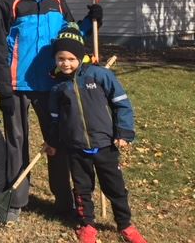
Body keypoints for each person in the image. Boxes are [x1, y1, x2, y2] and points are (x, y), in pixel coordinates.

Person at [0, 0, 103, 221]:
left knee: (59, 141)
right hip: (18, 86)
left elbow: (72, 35)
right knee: (17, 142)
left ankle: (64, 202)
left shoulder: (57, 2)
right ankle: (16, 200)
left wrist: (92, 21)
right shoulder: (8, 5)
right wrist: (4, 90)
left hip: (53, 85)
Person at [44, 24, 147, 243]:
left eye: (71, 59)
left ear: (81, 57)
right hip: (76, 148)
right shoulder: (57, 87)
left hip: (105, 145)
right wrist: (52, 141)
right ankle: (87, 224)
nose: (66, 63)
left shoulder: (100, 75)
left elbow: (121, 104)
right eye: (61, 59)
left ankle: (125, 224)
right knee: (82, 190)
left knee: (115, 187)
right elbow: (54, 120)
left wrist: (124, 132)